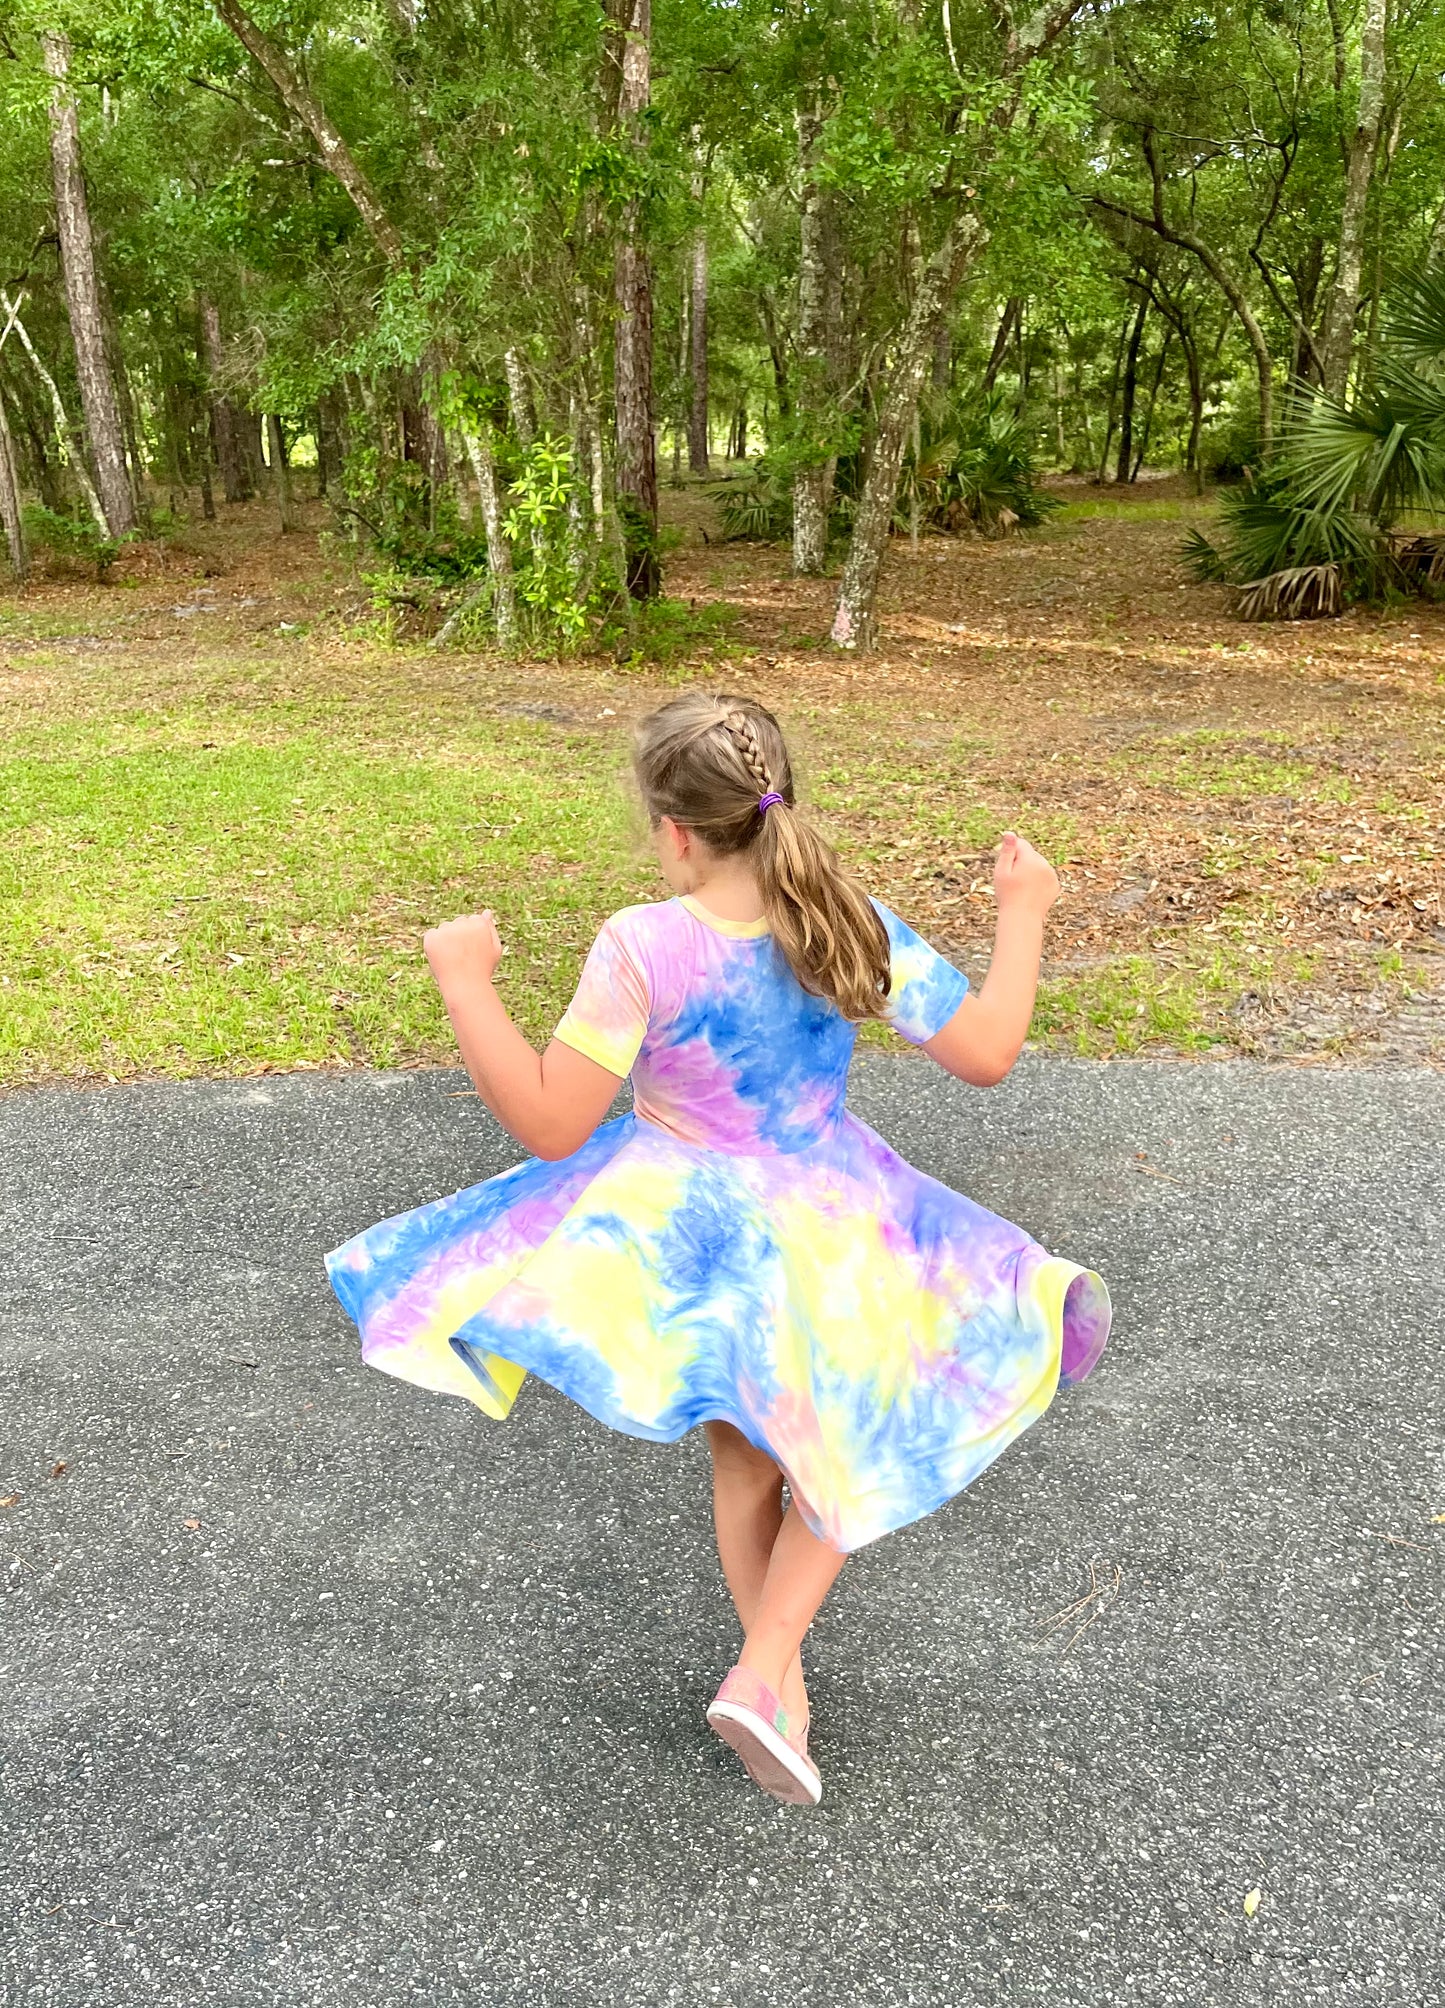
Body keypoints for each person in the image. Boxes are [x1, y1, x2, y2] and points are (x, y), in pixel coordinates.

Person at [326, 693, 1110, 1808]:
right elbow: (984, 1050)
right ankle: (767, 1679)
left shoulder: (645, 944)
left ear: (677, 831)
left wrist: (466, 985)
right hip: (834, 1223)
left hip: (691, 1231)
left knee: (756, 1453)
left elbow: (553, 1121)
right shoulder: (846, 916)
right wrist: (1021, 908)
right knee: (834, 1434)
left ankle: (765, 1668)